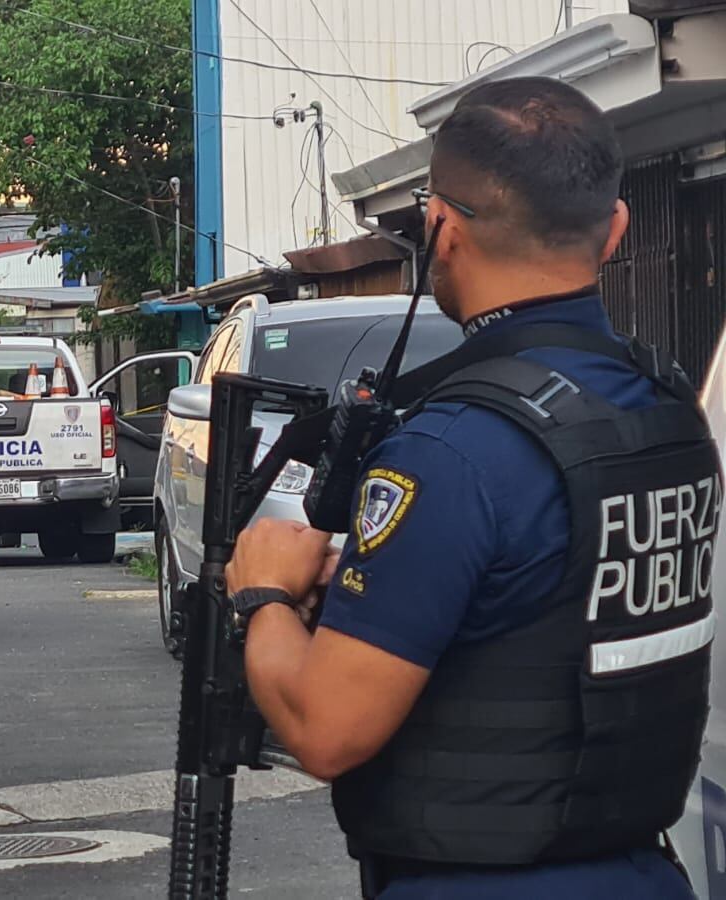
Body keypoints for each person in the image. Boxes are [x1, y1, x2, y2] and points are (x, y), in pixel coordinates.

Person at [226, 77, 722, 899]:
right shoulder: (670, 412)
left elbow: (326, 729)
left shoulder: (452, 448)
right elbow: (551, 599)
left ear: (439, 227)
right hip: (645, 871)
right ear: (616, 230)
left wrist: (264, 594)